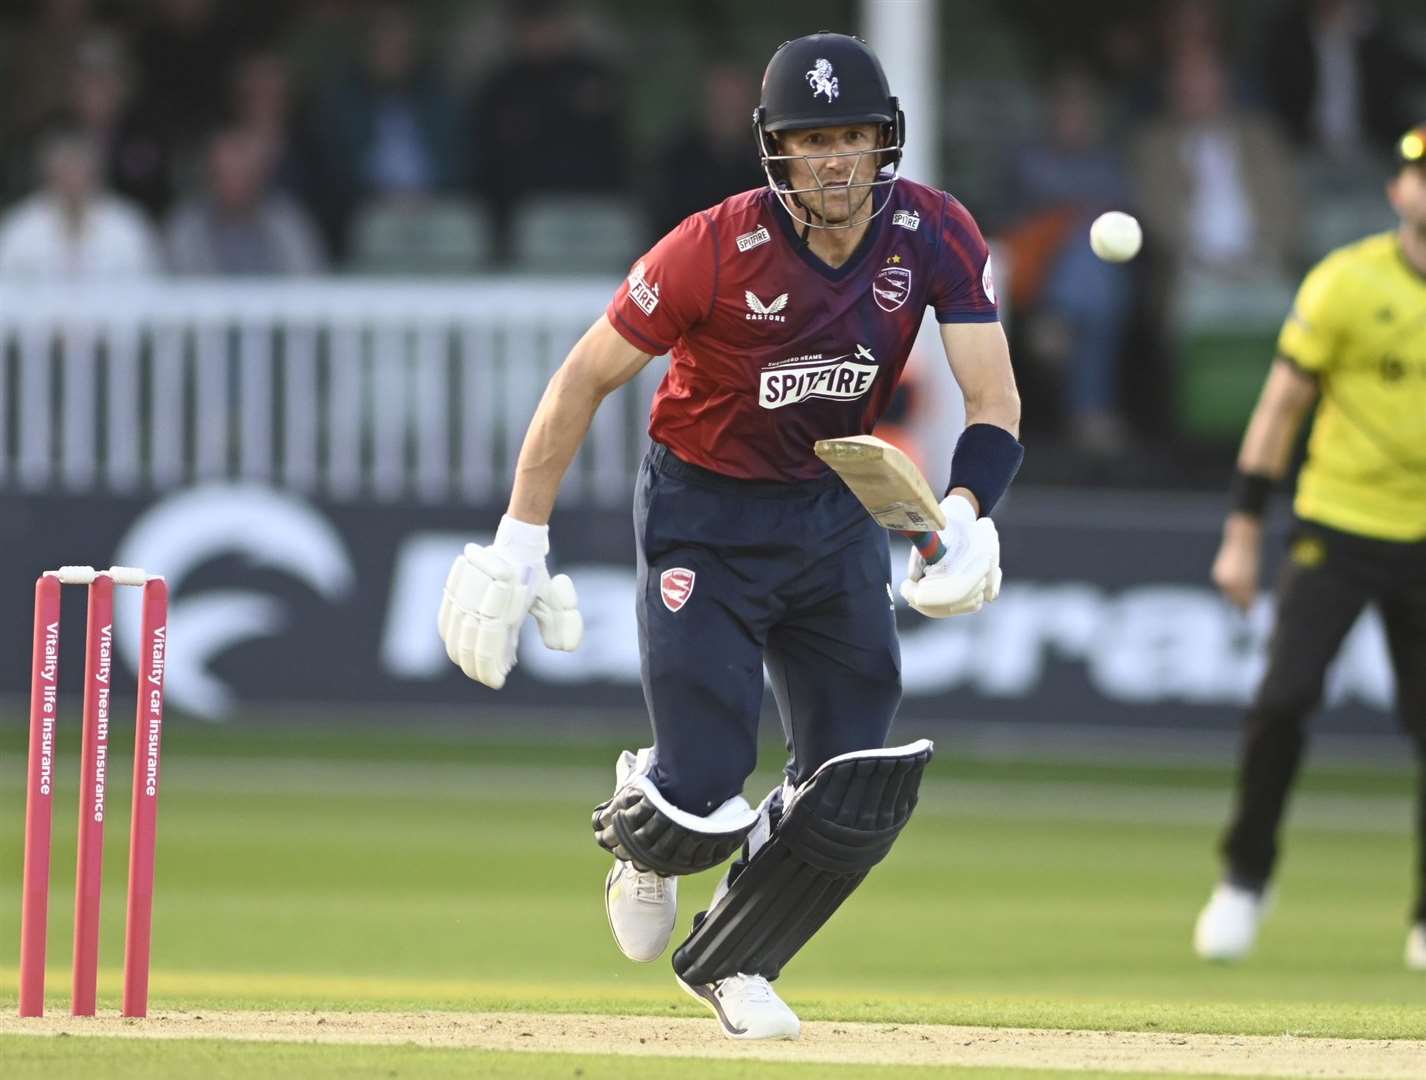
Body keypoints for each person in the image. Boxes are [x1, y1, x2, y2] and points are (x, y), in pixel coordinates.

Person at [437, 33, 1021, 1038]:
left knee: (847, 784)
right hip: (702, 513)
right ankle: (641, 826)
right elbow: (583, 378)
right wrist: (518, 539)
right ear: (774, 150)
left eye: (851, 137)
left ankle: (737, 959)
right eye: (810, 140)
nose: (833, 162)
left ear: (886, 141)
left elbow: (993, 396)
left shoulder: (932, 232)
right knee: (703, 787)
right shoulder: (712, 245)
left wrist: (965, 514)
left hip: (833, 505)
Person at [1194, 124, 1426, 969]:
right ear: (1397, 191)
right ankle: (1244, 879)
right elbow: (1279, 410)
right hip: (1338, 524)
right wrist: (1243, 535)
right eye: (1420, 176)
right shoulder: (1347, 283)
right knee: (1284, 702)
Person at [0, 129, 160, 280]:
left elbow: (150, 284)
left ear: (95, 173)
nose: (73, 180)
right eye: (65, 171)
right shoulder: (20, 227)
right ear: (48, 175)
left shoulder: (126, 225)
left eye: (79, 170)